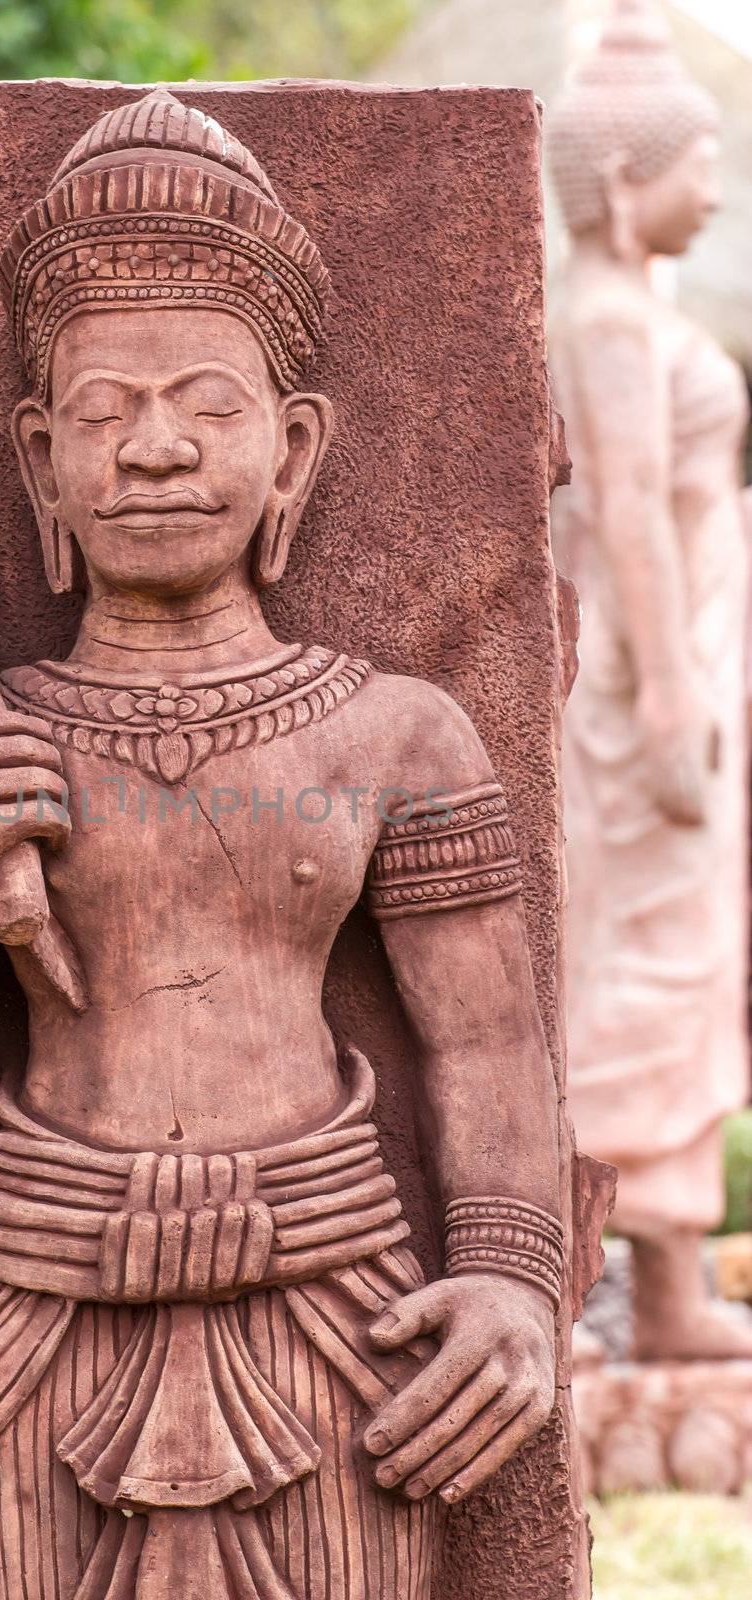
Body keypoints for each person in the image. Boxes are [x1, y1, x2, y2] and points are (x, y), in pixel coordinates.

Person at [0, 92, 563, 1599]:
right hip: (37, 1316)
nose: (153, 451)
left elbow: (485, 1047)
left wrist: (505, 1276)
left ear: (293, 451)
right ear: (37, 461)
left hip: (337, 1312)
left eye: (206, 408)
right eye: (103, 414)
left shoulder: (394, 739)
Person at [549, 0, 752, 1359]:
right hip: (634, 697)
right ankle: (566, 1278)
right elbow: (622, 508)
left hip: (689, 671)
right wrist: (671, 697)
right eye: (698, 162)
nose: (717, 185)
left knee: (684, 964)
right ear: (624, 183)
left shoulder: (634, 313)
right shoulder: (603, 323)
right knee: (621, 971)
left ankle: (671, 1290)